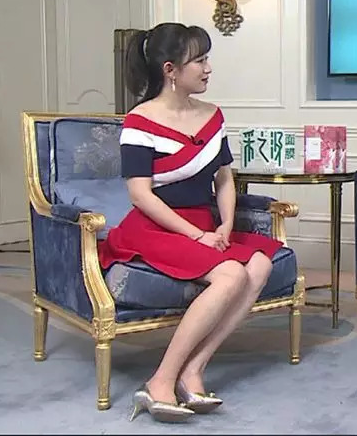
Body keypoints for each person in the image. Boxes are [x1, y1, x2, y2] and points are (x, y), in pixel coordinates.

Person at [98, 23, 283, 422]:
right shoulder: (139, 121)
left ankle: (193, 370)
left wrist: (225, 226)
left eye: (206, 59)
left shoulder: (213, 116)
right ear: (170, 69)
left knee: (261, 264)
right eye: (199, 60)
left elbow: (224, 179)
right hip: (155, 227)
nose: (208, 68)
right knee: (231, 275)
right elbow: (140, 195)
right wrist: (196, 235)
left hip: (205, 224)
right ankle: (160, 381)